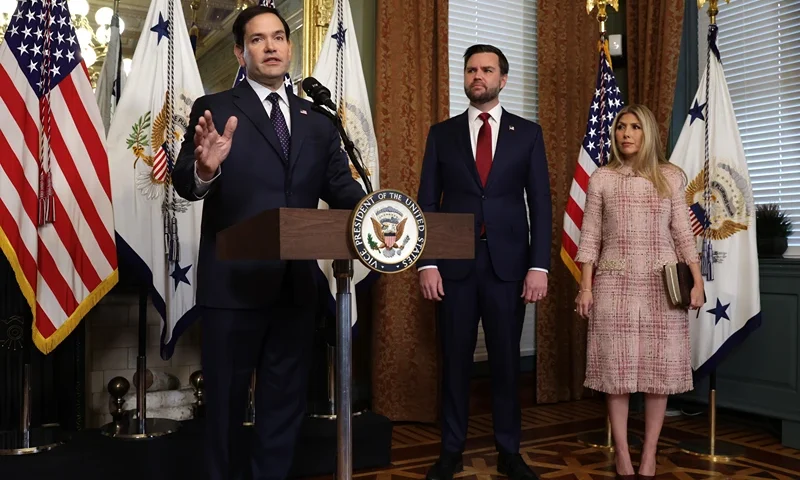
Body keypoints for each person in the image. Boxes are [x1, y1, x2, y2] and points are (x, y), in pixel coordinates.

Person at [172, 6, 366, 480]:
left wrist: (380, 212)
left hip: (294, 288)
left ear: (290, 46)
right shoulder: (215, 108)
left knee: (283, 408)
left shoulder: (317, 120)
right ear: (240, 53)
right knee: (224, 410)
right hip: (232, 286)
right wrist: (205, 169)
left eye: (278, 36)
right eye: (257, 39)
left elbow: (343, 191)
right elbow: (185, 180)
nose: (271, 46)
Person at [416, 44, 552, 480]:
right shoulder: (442, 134)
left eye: (487, 70)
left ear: (502, 79)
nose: (478, 76)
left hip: (508, 268)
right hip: (453, 265)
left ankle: (509, 452)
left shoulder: (527, 134)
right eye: (472, 69)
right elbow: (426, 202)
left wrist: (539, 266)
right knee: (455, 360)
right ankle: (450, 451)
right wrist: (427, 263)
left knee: (506, 363)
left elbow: (541, 204)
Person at [574, 104, 704, 480]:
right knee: (616, 372)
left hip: (662, 284)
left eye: (634, 127)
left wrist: (697, 281)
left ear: (648, 133)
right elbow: (590, 236)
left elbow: (682, 232)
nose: (626, 134)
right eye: (621, 127)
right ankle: (622, 453)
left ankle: (649, 453)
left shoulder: (670, 176)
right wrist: (585, 287)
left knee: (657, 373)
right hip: (613, 283)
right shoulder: (601, 178)